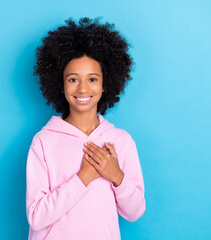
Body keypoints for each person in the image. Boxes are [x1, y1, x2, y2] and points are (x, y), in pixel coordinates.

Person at [26, 17, 146, 240]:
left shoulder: (121, 141)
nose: (83, 88)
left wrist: (116, 175)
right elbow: (36, 216)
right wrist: (84, 178)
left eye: (92, 79)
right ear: (60, 85)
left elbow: (136, 211)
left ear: (104, 85)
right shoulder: (43, 141)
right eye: (73, 79)